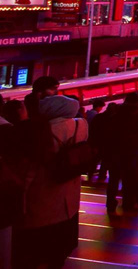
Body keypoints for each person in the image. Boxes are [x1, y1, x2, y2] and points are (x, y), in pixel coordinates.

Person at [11, 95, 88, 269]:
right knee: (59, 240)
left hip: (42, 192)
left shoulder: (41, 130)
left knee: (37, 242)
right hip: (70, 190)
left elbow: (28, 169)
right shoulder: (81, 125)